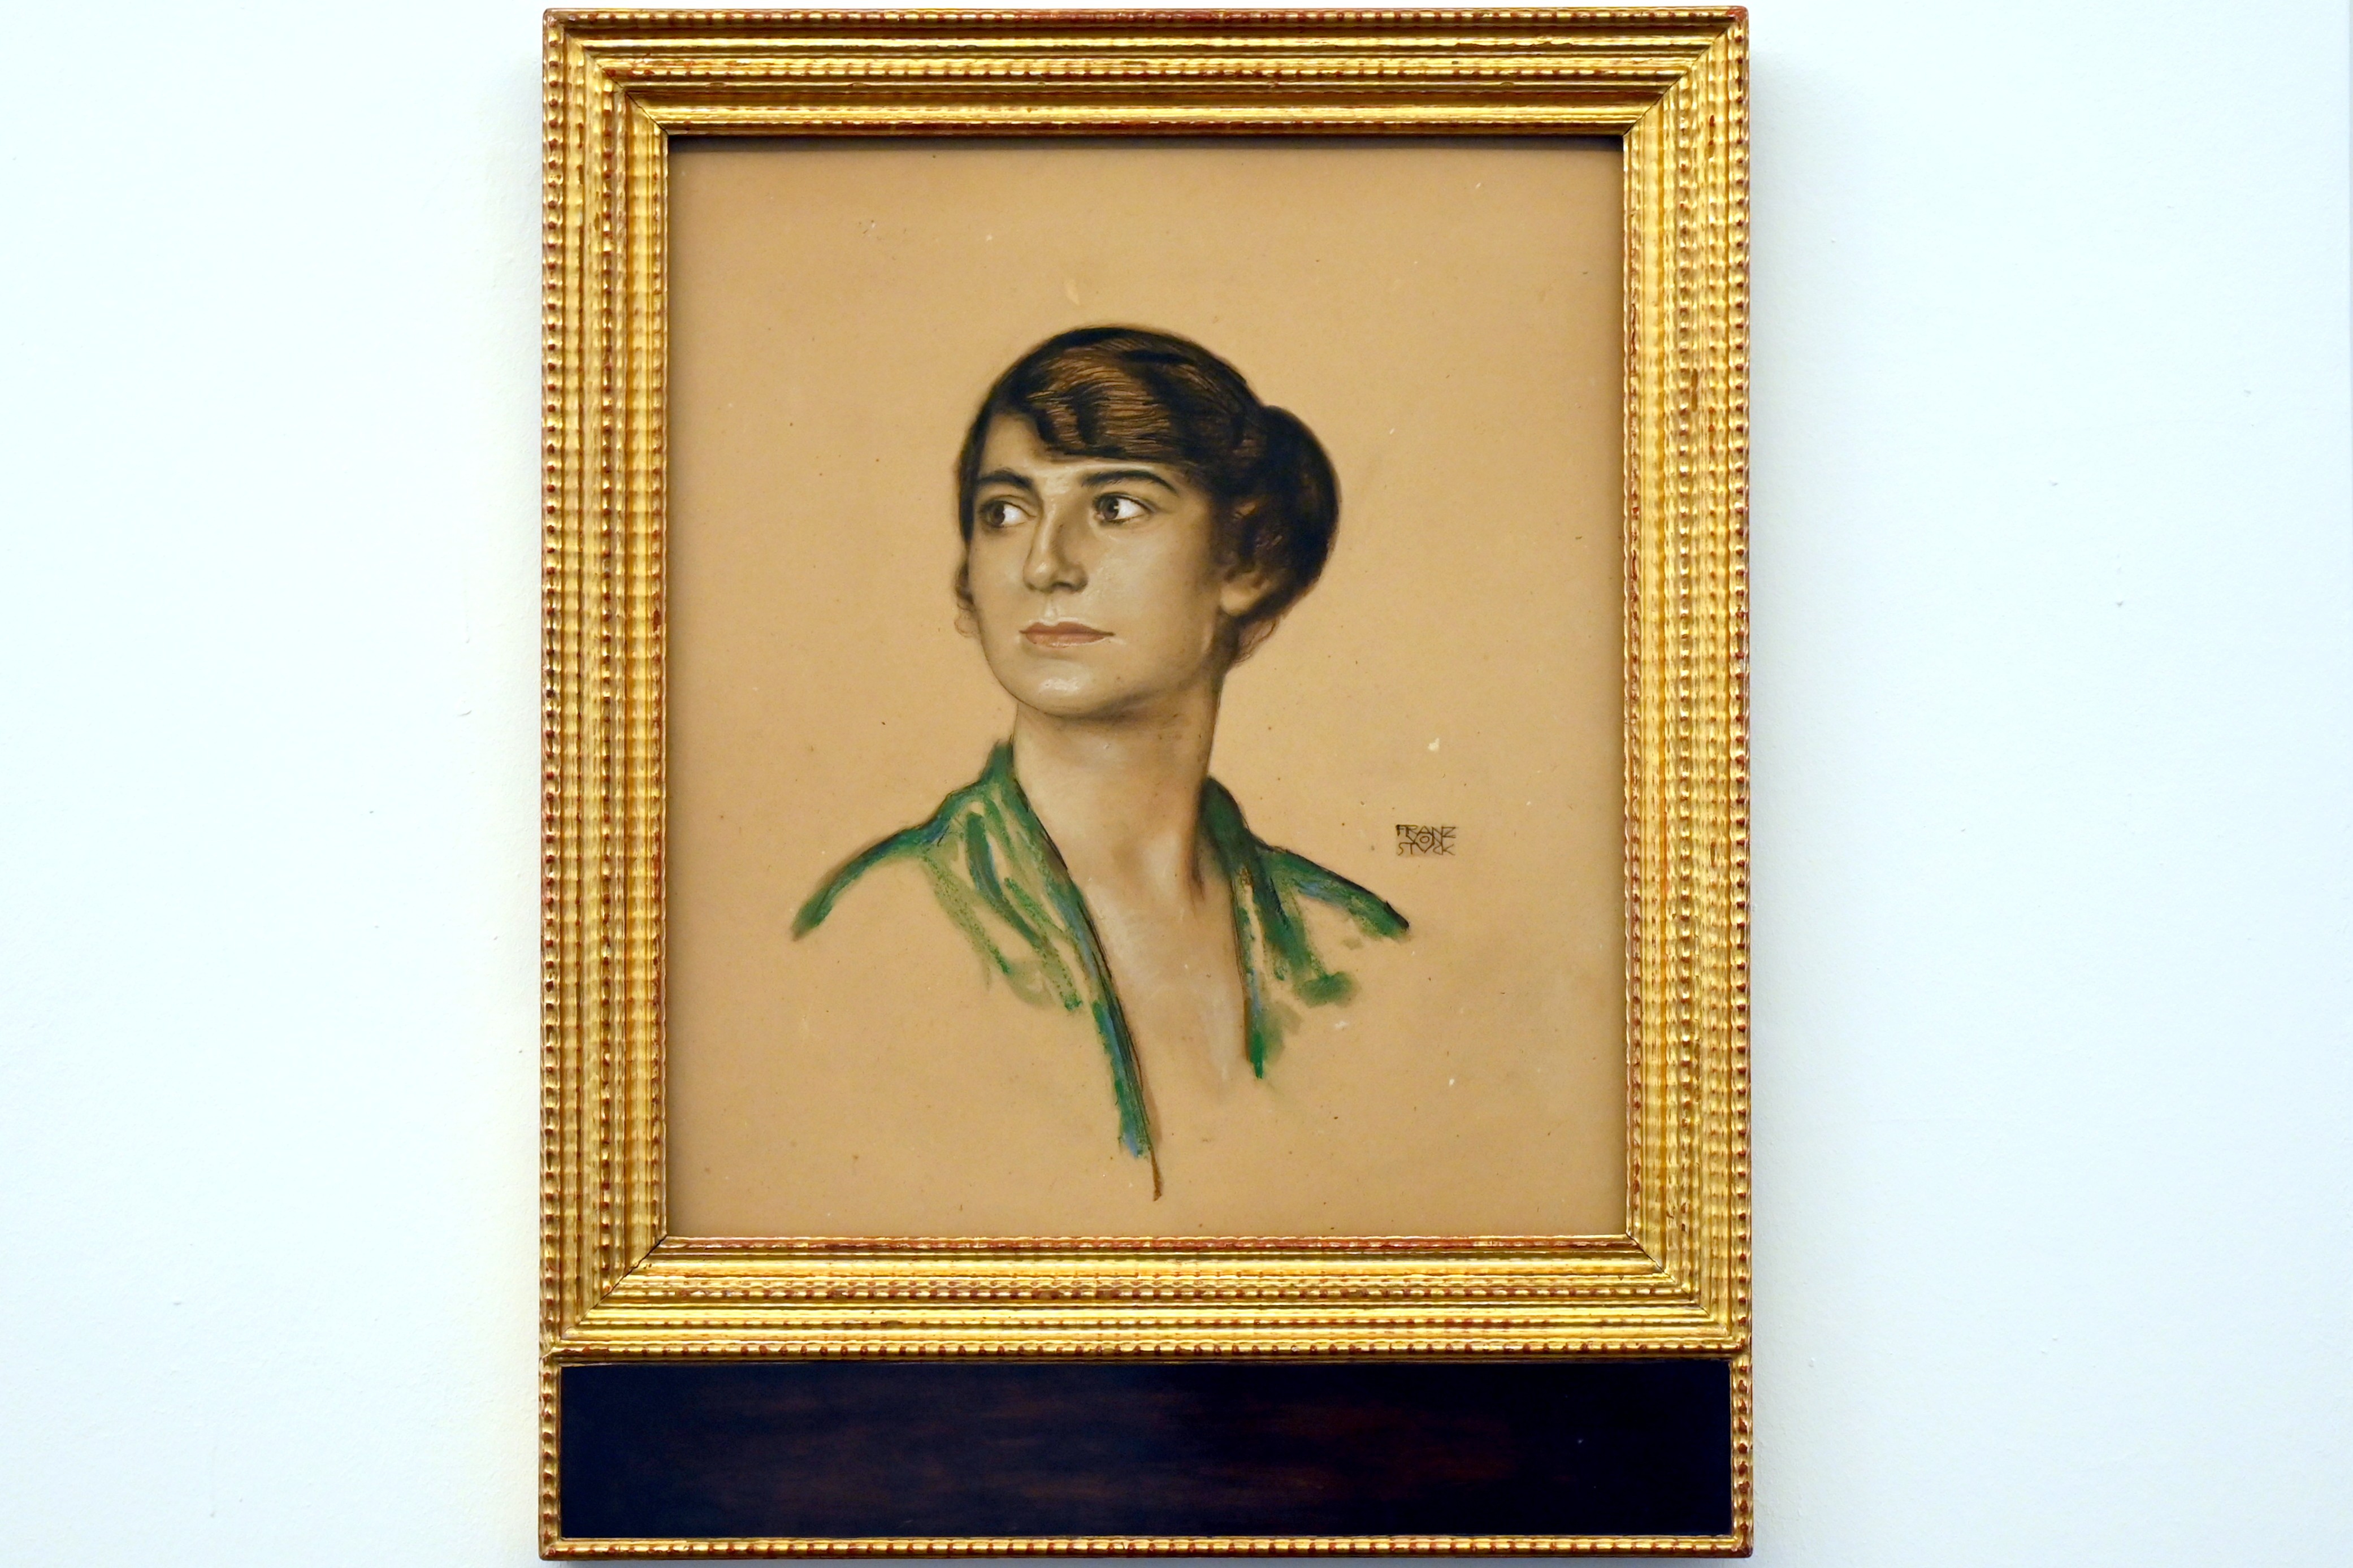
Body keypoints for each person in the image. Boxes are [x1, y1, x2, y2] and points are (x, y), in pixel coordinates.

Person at [793, 326, 1407, 1197]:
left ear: (1246, 559)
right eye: (1005, 513)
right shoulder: (881, 933)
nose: (1045, 564)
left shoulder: (1358, 946)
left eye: (1116, 507)